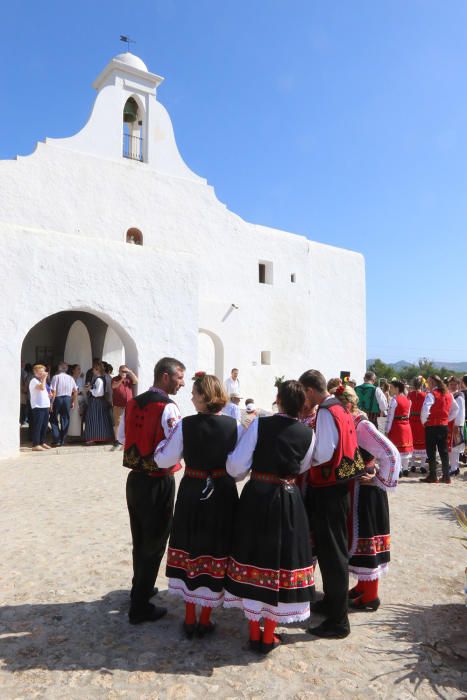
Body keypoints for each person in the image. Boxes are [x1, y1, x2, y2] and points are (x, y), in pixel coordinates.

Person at [224, 380, 315, 653]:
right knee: (281, 561)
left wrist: (240, 473)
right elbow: (304, 464)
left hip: (257, 496)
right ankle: (268, 635)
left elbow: (237, 464)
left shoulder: (261, 425)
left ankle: (255, 632)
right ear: (302, 405)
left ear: (278, 399)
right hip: (288, 498)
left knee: (254, 556)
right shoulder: (308, 433)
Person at [155, 372, 239, 637]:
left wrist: (157, 448)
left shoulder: (185, 425)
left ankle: (191, 617)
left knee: (191, 547)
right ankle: (205, 617)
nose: (190, 396)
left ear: (205, 396)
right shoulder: (234, 425)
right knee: (216, 548)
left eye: (194, 392)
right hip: (223, 491)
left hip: (193, 490)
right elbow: (238, 468)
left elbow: (164, 460)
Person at [299, 369, 365, 640]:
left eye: (303, 393)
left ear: (310, 390)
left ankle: (339, 620)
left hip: (328, 487)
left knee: (333, 552)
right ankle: (331, 603)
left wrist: (303, 454)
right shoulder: (339, 407)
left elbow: (324, 452)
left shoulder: (326, 411)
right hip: (339, 485)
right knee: (329, 551)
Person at [121, 357, 185, 625]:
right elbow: (174, 447)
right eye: (180, 377)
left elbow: (121, 437)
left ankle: (142, 587)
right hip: (157, 480)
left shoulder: (133, 402)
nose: (182, 383)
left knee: (140, 538)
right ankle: (140, 607)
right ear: (165, 377)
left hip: (135, 479)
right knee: (155, 541)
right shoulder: (168, 408)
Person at [332, 384, 399, 611]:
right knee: (360, 540)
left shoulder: (363, 426)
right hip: (358, 488)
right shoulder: (353, 423)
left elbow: (390, 452)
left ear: (348, 406)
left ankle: (371, 595)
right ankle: (363, 585)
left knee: (368, 540)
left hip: (368, 491)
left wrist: (380, 479)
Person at [420, 375, 458, 484]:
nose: (427, 384)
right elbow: (456, 409)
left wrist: (424, 422)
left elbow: (425, 409)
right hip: (444, 426)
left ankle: (433, 476)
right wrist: (447, 419)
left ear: (432, 383)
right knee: (444, 451)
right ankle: (446, 476)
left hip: (431, 426)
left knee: (431, 452)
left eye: (428, 382)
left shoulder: (431, 395)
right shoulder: (449, 394)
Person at [385, 379, 413, 477]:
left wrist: (387, 430)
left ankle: (400, 469)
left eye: (392, 388)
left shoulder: (394, 400)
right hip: (406, 425)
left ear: (397, 388)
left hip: (397, 426)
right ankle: (405, 469)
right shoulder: (408, 400)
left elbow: (390, 416)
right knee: (405, 448)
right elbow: (408, 414)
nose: (390, 390)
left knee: (397, 448)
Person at [83, 361, 114, 444]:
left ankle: (95, 438)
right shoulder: (99, 379)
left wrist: (90, 389)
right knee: (98, 419)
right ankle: (99, 437)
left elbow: (98, 393)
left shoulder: (99, 380)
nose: (93, 370)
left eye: (94, 369)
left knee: (94, 419)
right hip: (98, 402)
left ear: (97, 370)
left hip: (97, 402)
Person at [50, 362, 78, 446]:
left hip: (58, 398)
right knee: (65, 419)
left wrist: (51, 402)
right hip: (67, 398)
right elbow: (75, 391)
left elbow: (53, 390)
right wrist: (72, 401)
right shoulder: (71, 378)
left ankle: (57, 438)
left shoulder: (56, 377)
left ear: (59, 368)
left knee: (53, 418)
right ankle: (62, 439)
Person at [112, 364, 138, 447]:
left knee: (129, 422)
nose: (123, 373)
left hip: (129, 405)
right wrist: (121, 379)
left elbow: (136, 381)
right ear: (119, 371)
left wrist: (130, 372)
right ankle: (116, 440)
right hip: (118, 405)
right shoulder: (115, 379)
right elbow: (114, 386)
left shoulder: (129, 379)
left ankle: (126, 439)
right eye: (122, 371)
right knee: (117, 423)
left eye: (125, 371)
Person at [29, 364, 52, 451]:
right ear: (36, 372)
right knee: (38, 426)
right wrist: (45, 378)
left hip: (44, 406)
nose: (44, 373)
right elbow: (42, 388)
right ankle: (35, 444)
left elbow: (44, 391)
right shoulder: (34, 380)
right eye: (41, 371)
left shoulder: (41, 381)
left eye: (44, 371)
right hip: (38, 406)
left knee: (44, 426)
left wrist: (49, 396)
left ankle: (42, 442)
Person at [407, 377, 427, 474]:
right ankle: (422, 465)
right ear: (421, 385)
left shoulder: (409, 395)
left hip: (411, 420)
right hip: (421, 421)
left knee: (413, 442)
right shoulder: (425, 395)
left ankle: (413, 465)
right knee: (423, 443)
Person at [447, 376, 465, 477]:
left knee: (454, 447)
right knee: (452, 447)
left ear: (458, 385)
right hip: (450, 424)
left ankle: (454, 468)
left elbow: (460, 412)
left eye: (455, 384)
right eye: (451, 384)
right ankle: (454, 466)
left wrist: (457, 425)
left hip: (455, 425)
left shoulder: (459, 396)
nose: (453, 386)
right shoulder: (452, 395)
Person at [67, 364, 86, 439]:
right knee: (72, 417)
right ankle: (70, 434)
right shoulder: (70, 379)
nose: (79, 371)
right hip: (72, 399)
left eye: (79, 369)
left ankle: (79, 434)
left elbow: (82, 388)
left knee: (79, 417)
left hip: (80, 399)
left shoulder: (81, 379)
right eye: (78, 369)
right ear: (73, 370)